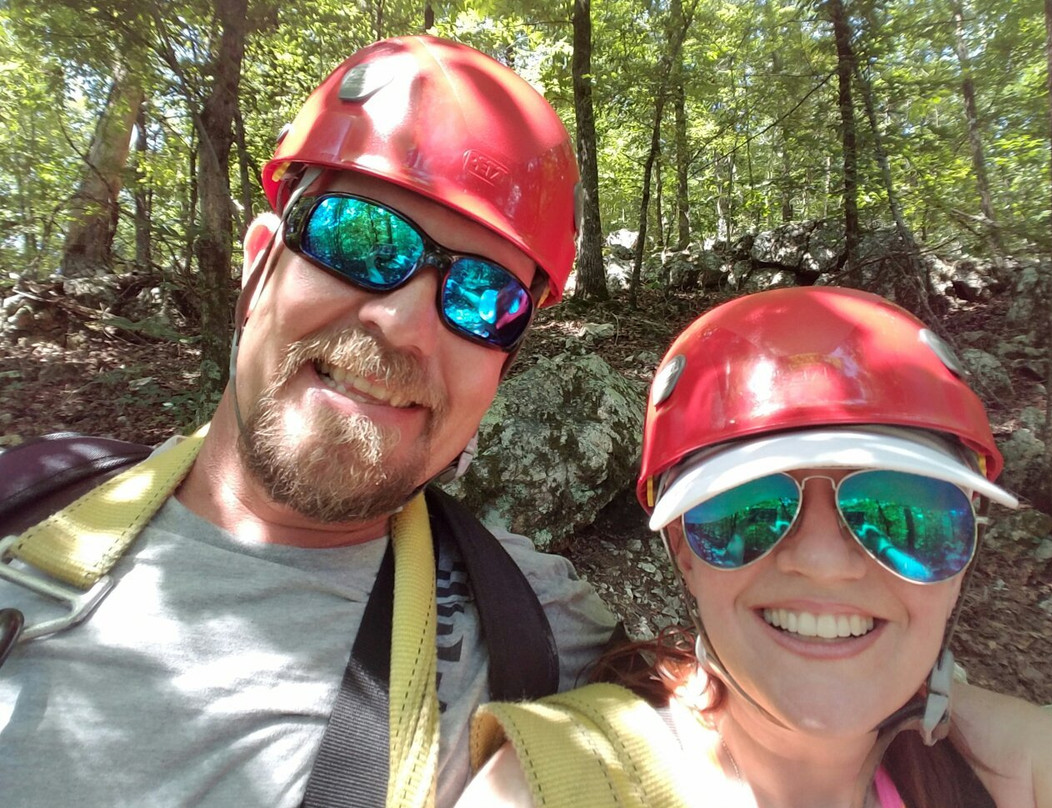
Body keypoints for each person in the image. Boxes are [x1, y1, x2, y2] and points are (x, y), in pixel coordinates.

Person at [0, 36, 616, 807]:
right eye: (359, 238)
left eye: (484, 297)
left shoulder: (539, 630)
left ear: (501, 371)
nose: (403, 323)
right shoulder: (24, 506)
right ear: (259, 268)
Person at [460, 286, 1052, 808]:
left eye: (903, 512)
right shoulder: (564, 780)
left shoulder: (1029, 776)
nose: (823, 561)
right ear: (683, 550)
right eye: (748, 509)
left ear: (965, 549)